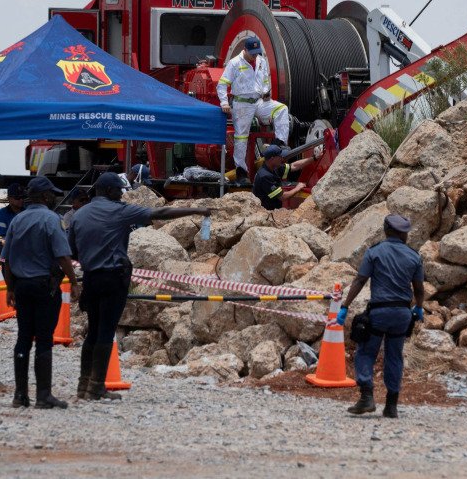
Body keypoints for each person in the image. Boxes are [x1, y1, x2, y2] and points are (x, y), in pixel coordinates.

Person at [68, 172, 210, 400]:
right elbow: (160, 213)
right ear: (108, 191)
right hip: (114, 277)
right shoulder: (120, 210)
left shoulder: (78, 215)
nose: (122, 195)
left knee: (93, 332)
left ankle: (83, 386)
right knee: (106, 331)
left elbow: (71, 250)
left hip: (91, 278)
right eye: (118, 191)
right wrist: (196, 210)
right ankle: (96, 387)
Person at [0, 176, 80, 409]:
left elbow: (6, 260)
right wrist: (74, 282)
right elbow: (63, 256)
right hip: (45, 286)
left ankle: (19, 395)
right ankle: (43, 395)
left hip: (22, 287)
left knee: (23, 338)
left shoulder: (17, 220)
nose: (54, 197)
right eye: (52, 194)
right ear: (45, 196)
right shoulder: (51, 219)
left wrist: (10, 288)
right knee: (44, 340)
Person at [336, 214, 425, 418]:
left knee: (366, 353)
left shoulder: (374, 252)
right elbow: (419, 288)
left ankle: (367, 397)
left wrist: (345, 306)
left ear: (386, 231)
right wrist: (419, 307)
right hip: (403, 314)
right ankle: (391, 405)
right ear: (403, 234)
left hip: (379, 312)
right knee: (394, 356)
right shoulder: (414, 256)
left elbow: (360, 281)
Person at [216, 37, 289, 185]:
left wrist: (266, 92)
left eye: (257, 53)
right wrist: (224, 102)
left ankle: (279, 142)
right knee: (241, 138)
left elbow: (265, 81)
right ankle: (241, 172)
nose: (255, 56)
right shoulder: (235, 63)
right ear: (245, 50)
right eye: (253, 53)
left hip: (259, 101)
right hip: (242, 104)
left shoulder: (261, 61)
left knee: (282, 109)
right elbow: (222, 84)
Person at [252, 145, 321, 210]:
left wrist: (314, 158)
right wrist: (298, 188)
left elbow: (294, 166)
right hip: (266, 212)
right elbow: (282, 197)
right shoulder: (265, 176)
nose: (282, 158)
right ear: (272, 159)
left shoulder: (274, 167)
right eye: (279, 156)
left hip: (273, 209)